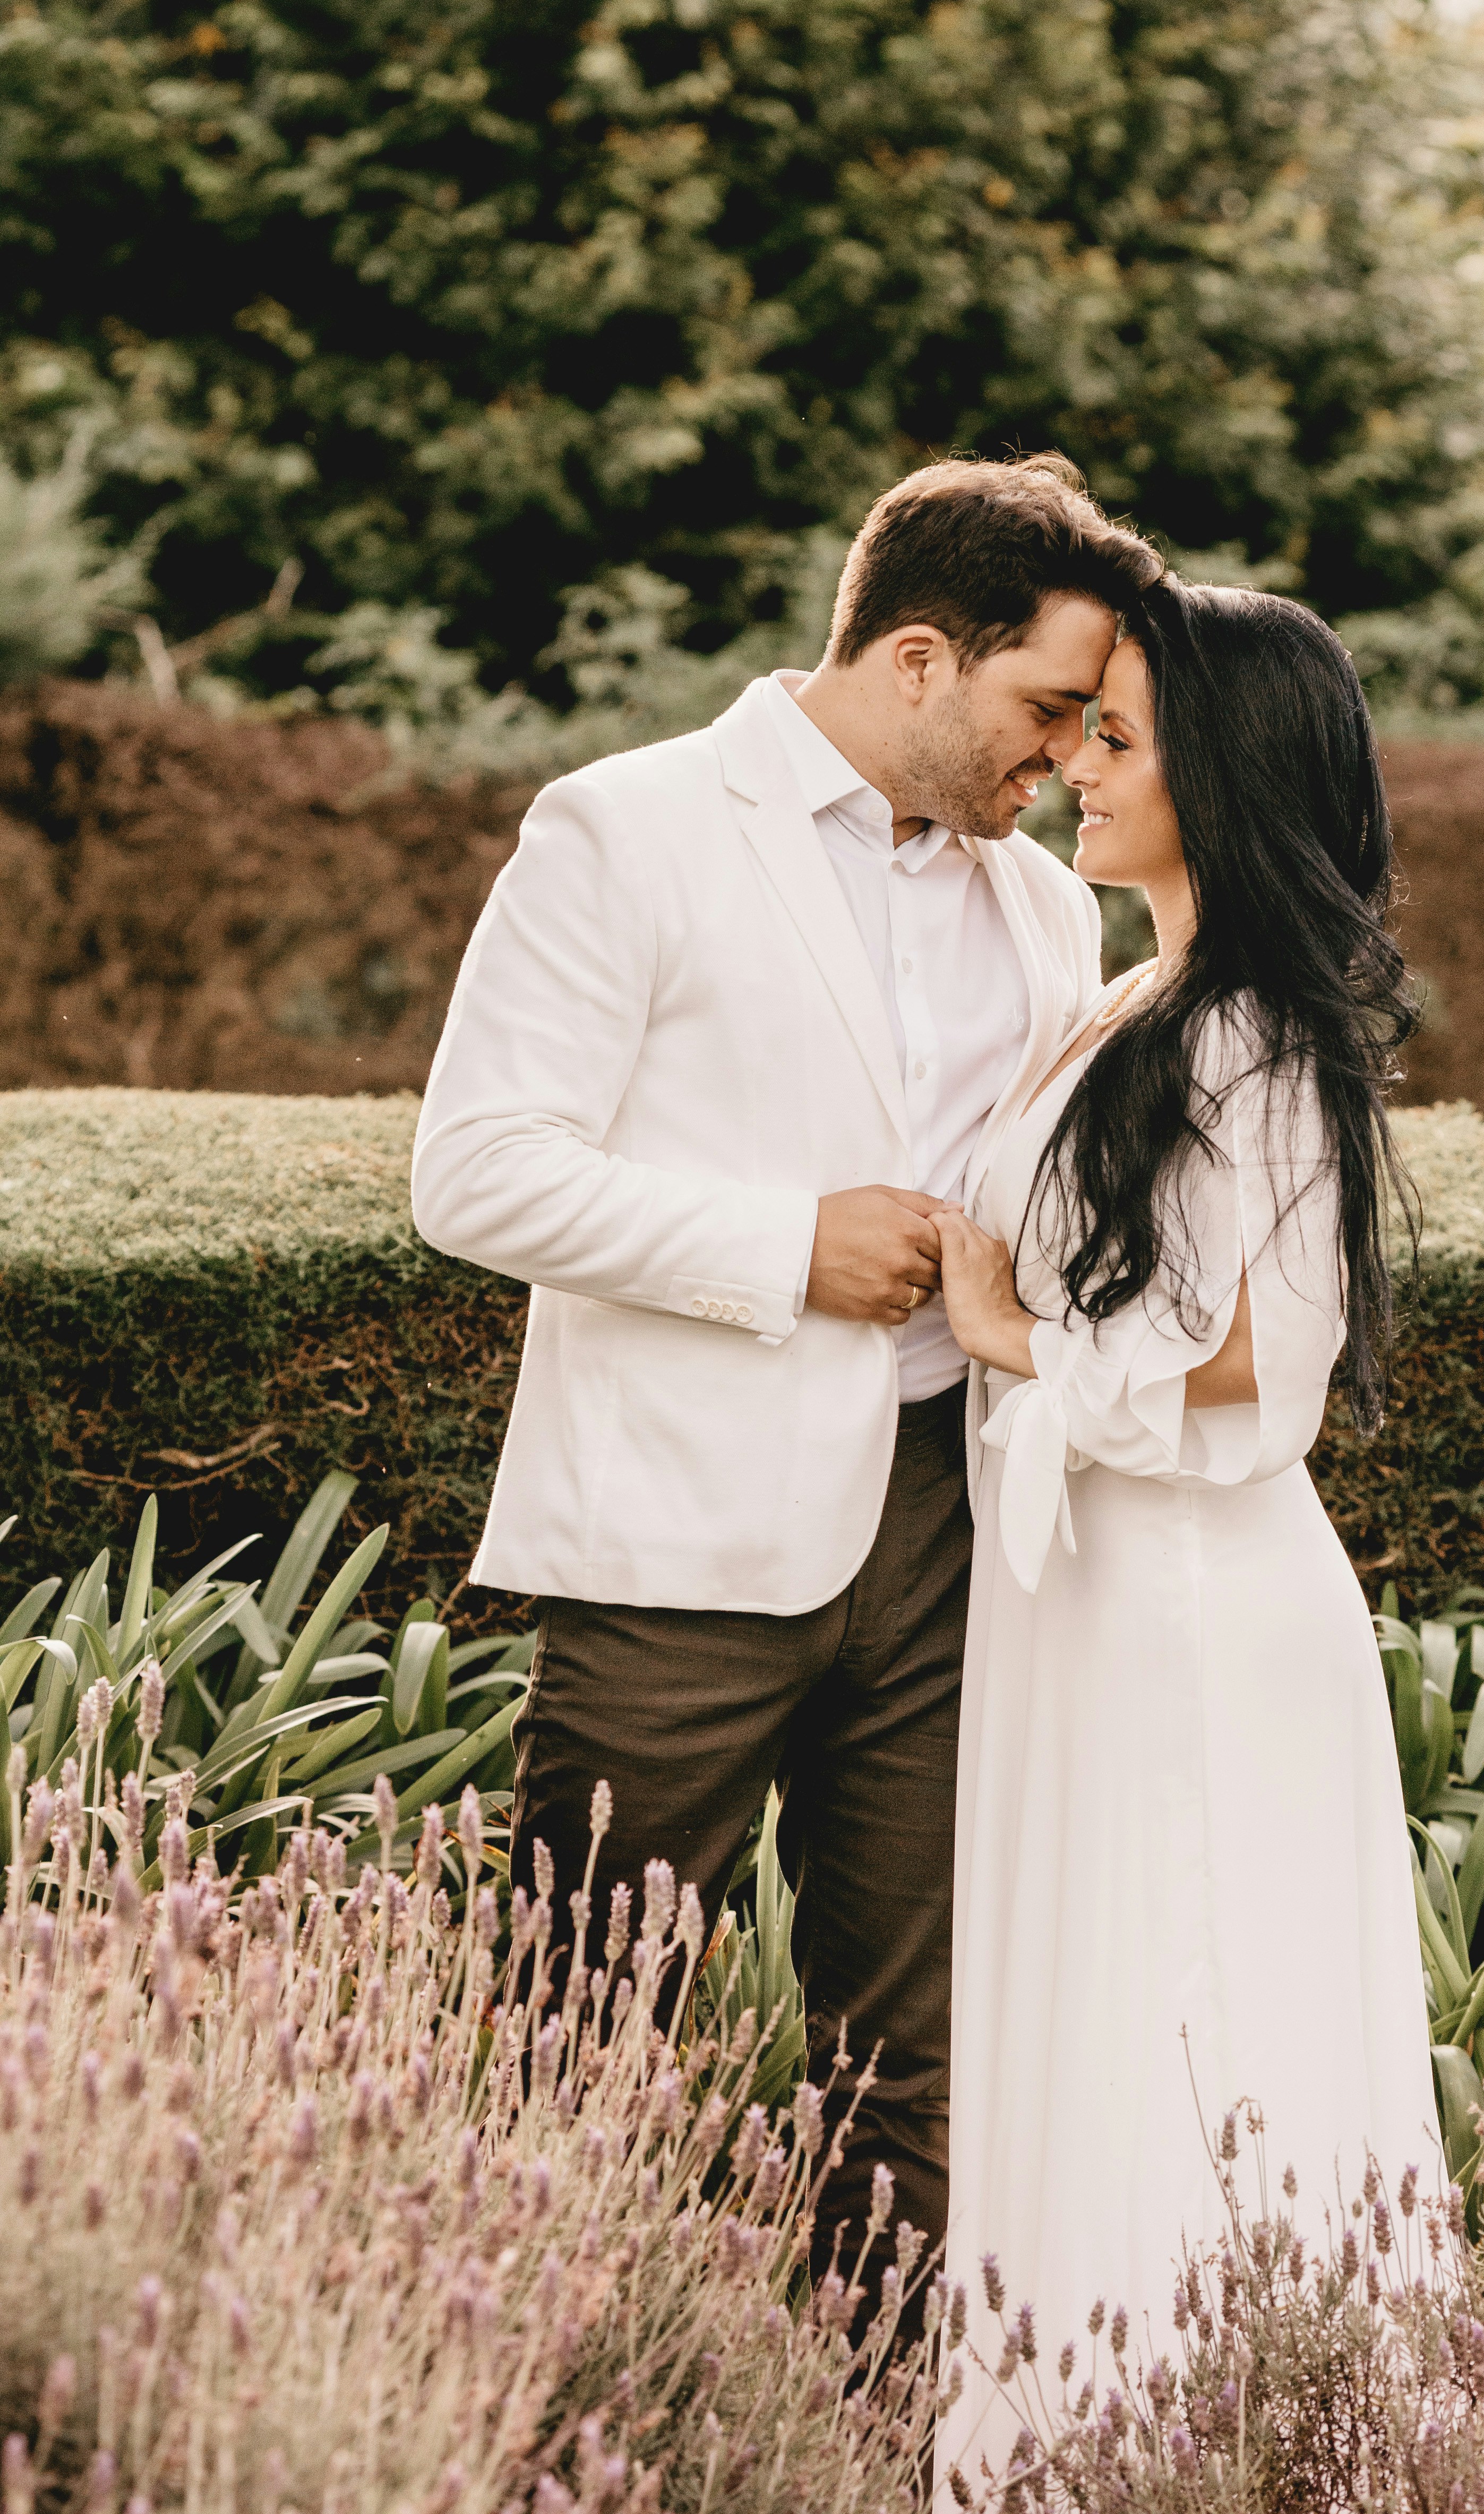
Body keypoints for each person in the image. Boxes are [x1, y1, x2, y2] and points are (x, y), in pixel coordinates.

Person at [411, 454, 1162, 2286]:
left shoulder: (1049, 911)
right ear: (919, 658)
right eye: (1046, 707)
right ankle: (519, 2458)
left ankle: (883, 2500)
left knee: (916, 2064)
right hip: (680, 1550)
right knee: (573, 2035)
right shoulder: (627, 829)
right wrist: (784, 1248)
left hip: (951, 1536)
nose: (1066, 760)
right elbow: (476, 1170)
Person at [923, 580, 1442, 2514]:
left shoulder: (1255, 1027)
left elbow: (1261, 1357)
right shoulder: (1136, 998)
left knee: (1189, 2038)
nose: (1080, 768)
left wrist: (1002, 1330)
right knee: (1091, 2031)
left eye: (1120, 738)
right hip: (1087, 1601)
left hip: (1194, 1612)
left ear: (1218, 768)